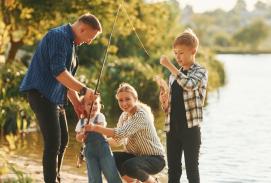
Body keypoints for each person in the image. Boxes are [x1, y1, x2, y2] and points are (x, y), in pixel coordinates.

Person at [19, 13, 101, 183]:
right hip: (41, 95)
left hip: (55, 98)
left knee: (63, 140)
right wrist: (85, 89)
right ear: (81, 28)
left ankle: (55, 178)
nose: (90, 41)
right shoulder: (59, 36)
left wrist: (78, 103)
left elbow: (66, 80)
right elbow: (59, 72)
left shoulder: (71, 43)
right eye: (90, 36)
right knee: (53, 143)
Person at [85, 83, 165, 183]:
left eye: (127, 99)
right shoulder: (124, 116)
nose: (124, 103)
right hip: (136, 157)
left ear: (135, 99)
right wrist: (96, 142)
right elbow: (118, 141)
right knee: (109, 158)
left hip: (155, 159)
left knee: (129, 166)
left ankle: (153, 182)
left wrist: (95, 128)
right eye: (120, 100)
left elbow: (121, 133)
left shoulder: (141, 115)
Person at [159, 29, 208, 183]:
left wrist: (169, 65)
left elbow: (189, 84)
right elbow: (168, 109)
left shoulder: (200, 72)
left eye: (181, 53)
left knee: (192, 169)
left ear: (193, 51)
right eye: (175, 53)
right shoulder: (172, 76)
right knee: (173, 170)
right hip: (172, 129)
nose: (177, 57)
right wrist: (164, 101)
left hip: (191, 130)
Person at [75, 96, 122, 183]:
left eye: (96, 103)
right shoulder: (81, 121)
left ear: (100, 105)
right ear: (83, 107)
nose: (93, 106)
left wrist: (92, 127)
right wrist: (82, 135)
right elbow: (77, 137)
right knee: (94, 177)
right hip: (90, 153)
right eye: (89, 104)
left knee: (111, 174)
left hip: (104, 151)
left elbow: (102, 127)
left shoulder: (100, 116)